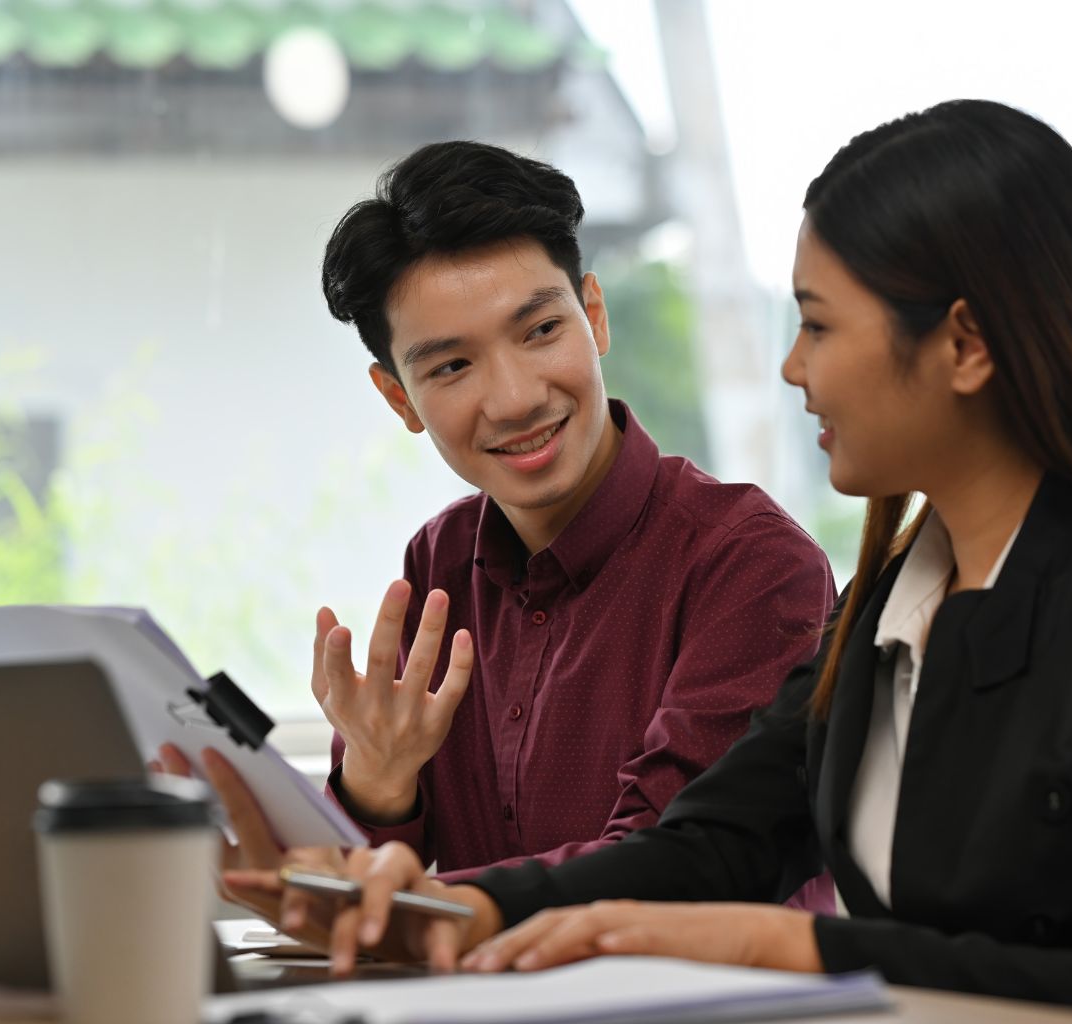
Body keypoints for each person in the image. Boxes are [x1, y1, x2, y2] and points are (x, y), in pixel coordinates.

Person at [224, 101, 1072, 1024]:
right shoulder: (888, 601)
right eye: (453, 364)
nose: (791, 369)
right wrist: (464, 905)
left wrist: (797, 948)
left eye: (818, 327)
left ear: (965, 344)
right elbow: (706, 849)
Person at [166, 141, 834, 900]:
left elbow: (669, 867)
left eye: (541, 331)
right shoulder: (440, 563)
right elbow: (377, 894)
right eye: (452, 366)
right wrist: (377, 784)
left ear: (594, 316)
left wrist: (438, 904)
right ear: (399, 398)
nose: (516, 399)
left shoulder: (752, 565)